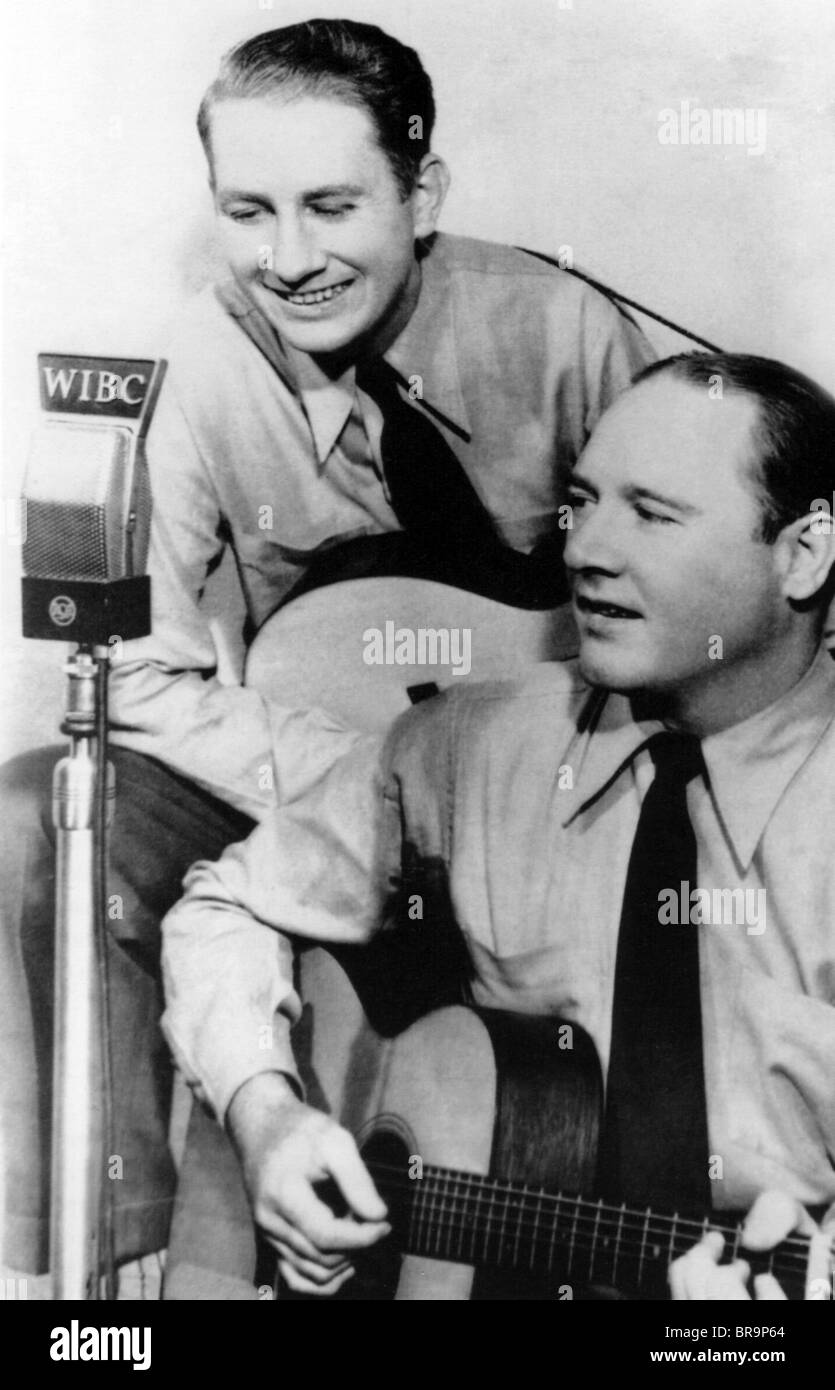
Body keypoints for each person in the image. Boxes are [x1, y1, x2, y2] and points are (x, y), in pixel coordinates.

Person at [0, 19, 653, 1274]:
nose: (286, 258)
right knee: (45, 811)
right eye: (247, 212)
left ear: (422, 194)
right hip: (311, 764)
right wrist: (366, 775)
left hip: (538, 782)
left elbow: (699, 576)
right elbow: (137, 669)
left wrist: (480, 773)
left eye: (331, 206)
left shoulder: (564, 331)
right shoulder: (194, 365)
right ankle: (98, 1272)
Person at [162, 352, 835, 1300]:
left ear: (802, 554)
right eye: (582, 500)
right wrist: (264, 1116)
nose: (585, 549)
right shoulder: (470, 744)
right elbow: (226, 906)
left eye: (651, 513)